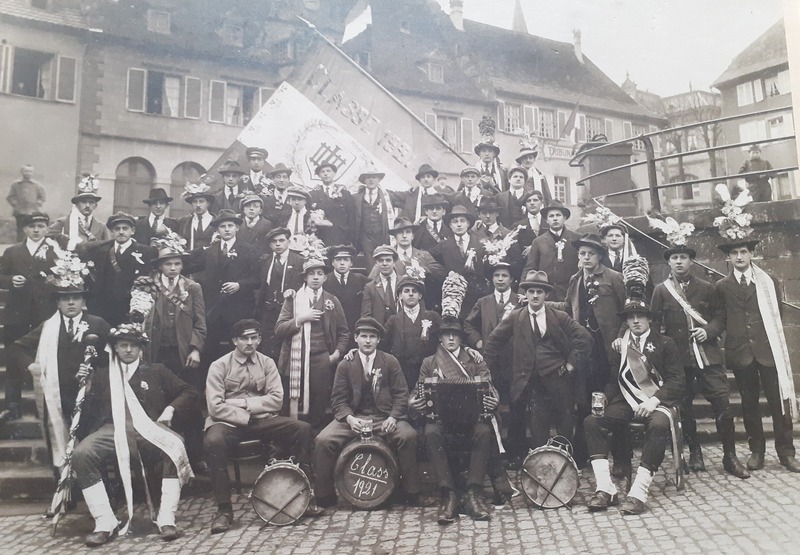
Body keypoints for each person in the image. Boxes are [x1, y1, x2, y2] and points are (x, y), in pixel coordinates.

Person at [72, 323, 197, 544]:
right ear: (115, 348)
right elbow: (89, 413)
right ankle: (104, 521)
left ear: (141, 348)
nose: (128, 350)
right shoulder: (102, 374)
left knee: (174, 446)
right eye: (123, 345)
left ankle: (166, 518)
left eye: (133, 345)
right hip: (111, 430)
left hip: (148, 429)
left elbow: (189, 391)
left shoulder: (156, 370)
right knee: (82, 453)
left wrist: (170, 409)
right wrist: (87, 387)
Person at [204, 319, 322, 534]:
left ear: (259, 339)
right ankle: (224, 510)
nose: (250, 343)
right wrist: (247, 413)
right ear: (235, 341)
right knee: (213, 441)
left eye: (254, 338)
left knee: (302, 428)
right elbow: (215, 407)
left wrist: (241, 403)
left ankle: (304, 495)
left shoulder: (267, 363)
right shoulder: (219, 366)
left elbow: (276, 400)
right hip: (227, 422)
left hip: (260, 420)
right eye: (244, 338)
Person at [649, 242, 749, 478]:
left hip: (708, 358)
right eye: (674, 258)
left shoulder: (707, 288)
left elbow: (720, 316)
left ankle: (730, 457)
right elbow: (654, 324)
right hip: (679, 361)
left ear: (691, 261)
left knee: (723, 405)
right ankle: (695, 452)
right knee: (684, 408)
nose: (679, 262)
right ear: (669, 262)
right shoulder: (661, 291)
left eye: (683, 257)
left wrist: (709, 331)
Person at [313, 317, 429, 508]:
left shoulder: (390, 361)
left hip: (383, 417)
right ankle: (324, 496)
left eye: (372, 337)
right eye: (363, 336)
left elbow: (401, 394)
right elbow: (338, 400)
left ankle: (411, 492)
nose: (368, 341)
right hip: (354, 417)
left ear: (378, 340)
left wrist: (393, 417)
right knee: (323, 440)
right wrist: (350, 419)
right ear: (356, 338)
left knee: (408, 435)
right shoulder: (345, 364)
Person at [585, 299, 684, 515]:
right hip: (627, 402)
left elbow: (677, 380)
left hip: (658, 401)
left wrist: (653, 401)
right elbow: (614, 381)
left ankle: (639, 491)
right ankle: (606, 489)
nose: (636, 321)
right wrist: (605, 398)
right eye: (631, 317)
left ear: (649, 319)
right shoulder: (620, 346)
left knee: (658, 425)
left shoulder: (665, 343)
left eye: (640, 316)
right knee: (592, 421)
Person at [715, 239, 800, 473]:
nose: (739, 256)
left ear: (751, 253)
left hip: (768, 351)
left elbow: (776, 315)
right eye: (734, 253)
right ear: (728, 257)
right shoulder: (722, 286)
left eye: (743, 252)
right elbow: (721, 317)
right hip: (741, 352)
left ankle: (786, 452)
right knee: (749, 403)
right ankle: (757, 451)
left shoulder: (767, 281)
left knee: (778, 401)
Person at [485, 271, 592, 455]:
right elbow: (493, 341)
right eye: (531, 291)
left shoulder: (558, 316)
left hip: (558, 378)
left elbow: (585, 338)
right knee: (538, 428)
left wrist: (571, 364)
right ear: (525, 294)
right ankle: (540, 463)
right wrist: (486, 370)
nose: (535, 295)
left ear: (546, 295)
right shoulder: (516, 317)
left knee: (565, 424)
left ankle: (566, 462)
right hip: (532, 381)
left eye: (539, 292)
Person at [17, 262, 110, 464]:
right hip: (58, 393)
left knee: (88, 444)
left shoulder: (98, 324)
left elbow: (110, 357)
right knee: (59, 441)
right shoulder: (48, 326)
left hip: (90, 394)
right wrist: (32, 366)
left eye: (76, 298)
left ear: (83, 300)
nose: (71, 303)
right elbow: (18, 347)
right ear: (58, 303)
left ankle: (89, 477)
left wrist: (94, 372)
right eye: (65, 299)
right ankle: (62, 478)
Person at [409, 317, 500, 524]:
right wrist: (414, 402)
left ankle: (473, 492)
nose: (451, 338)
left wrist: (493, 400)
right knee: (431, 432)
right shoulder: (429, 362)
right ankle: (448, 494)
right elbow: (417, 392)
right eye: (446, 334)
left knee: (483, 431)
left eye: (455, 335)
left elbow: (490, 387)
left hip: (471, 421)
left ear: (461, 338)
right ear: (440, 338)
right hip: (442, 422)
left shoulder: (475, 360)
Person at [555, 233, 626, 468]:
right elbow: (567, 308)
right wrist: (542, 305)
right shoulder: (575, 279)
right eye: (582, 254)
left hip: (608, 348)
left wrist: (620, 337)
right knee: (585, 400)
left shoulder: (614, 278)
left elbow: (627, 311)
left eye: (591, 254)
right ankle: (585, 454)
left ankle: (621, 458)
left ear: (600, 256)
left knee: (612, 399)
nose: (586, 258)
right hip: (585, 350)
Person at [143, 236, 207, 471]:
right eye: (168, 263)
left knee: (191, 403)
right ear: (160, 266)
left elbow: (200, 323)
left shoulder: (192, 288)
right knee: (158, 403)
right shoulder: (148, 286)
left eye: (177, 263)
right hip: (157, 354)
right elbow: (139, 319)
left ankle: (196, 457)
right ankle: (162, 458)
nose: (172, 268)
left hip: (184, 355)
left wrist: (195, 349)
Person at [0, 213, 68, 421]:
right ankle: (13, 406)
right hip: (16, 315)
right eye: (32, 226)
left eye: (40, 226)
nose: (36, 230)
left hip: (44, 314)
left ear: (47, 228)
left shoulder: (55, 251)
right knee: (13, 358)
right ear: (25, 230)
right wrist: (11, 280)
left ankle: (46, 406)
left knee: (47, 359)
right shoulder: (12, 252)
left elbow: (64, 277)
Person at [275, 258, 350, 430]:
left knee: (319, 404)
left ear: (325, 277)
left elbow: (344, 332)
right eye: (311, 274)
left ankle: (315, 440)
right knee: (292, 401)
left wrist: (336, 355)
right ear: (305, 277)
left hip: (321, 359)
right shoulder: (293, 299)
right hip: (295, 359)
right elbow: (279, 329)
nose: (316, 277)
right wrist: (301, 319)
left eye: (320, 274)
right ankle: (293, 439)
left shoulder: (332, 300)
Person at [464, 262, 524, 466]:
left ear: (511, 279)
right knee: (490, 405)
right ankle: (493, 453)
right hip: (490, 362)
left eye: (504, 276)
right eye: (496, 275)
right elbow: (468, 324)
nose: (500, 279)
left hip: (515, 361)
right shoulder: (483, 302)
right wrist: (477, 341)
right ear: (491, 279)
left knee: (516, 406)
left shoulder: (520, 301)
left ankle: (516, 453)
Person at [185, 209, 259, 373]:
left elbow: (257, 280)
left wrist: (239, 285)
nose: (226, 229)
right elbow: (189, 265)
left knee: (237, 350)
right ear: (217, 230)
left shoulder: (248, 250)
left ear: (237, 228)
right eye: (222, 226)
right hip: (214, 310)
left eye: (230, 226)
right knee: (211, 351)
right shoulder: (210, 250)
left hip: (238, 310)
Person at [81, 212, 157, 327]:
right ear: (112, 232)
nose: (121, 232)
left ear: (132, 231)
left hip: (130, 309)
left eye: (125, 228)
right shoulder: (100, 251)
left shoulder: (146, 252)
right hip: (104, 309)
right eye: (117, 229)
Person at [429, 205, 489, 319]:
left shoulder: (480, 244)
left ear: (468, 223)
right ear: (450, 225)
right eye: (455, 222)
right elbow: (429, 259)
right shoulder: (444, 245)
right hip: (454, 298)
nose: (459, 224)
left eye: (462, 221)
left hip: (476, 296)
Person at [254, 227, 304, 360]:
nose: (278, 244)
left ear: (288, 242)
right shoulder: (265, 261)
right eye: (274, 241)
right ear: (270, 244)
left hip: (290, 311)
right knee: (268, 346)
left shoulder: (299, 261)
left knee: (288, 346)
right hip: (268, 310)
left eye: (281, 240)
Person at [382, 276, 440, 389]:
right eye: (406, 291)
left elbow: (446, 337)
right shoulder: (393, 320)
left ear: (420, 296)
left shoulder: (432, 317)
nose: (411, 294)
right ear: (400, 296)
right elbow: (380, 342)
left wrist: (466, 348)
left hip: (428, 371)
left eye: (414, 291)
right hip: (403, 371)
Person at [522, 200, 579, 301]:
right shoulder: (538, 241)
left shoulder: (576, 238)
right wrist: (522, 291)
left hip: (571, 293)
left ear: (564, 218)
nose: (555, 218)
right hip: (547, 293)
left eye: (558, 215)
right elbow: (530, 267)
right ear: (547, 220)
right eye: (551, 216)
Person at [322, 244, 371, 344]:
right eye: (338, 260)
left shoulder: (361, 280)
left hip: (355, 330)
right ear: (332, 262)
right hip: (332, 332)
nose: (342, 263)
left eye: (346, 260)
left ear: (351, 263)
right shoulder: (324, 281)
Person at [50, 175, 109, 250]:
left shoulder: (101, 227)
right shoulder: (63, 222)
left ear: (95, 206)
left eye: (91, 202)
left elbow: (107, 248)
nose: (87, 205)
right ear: (77, 204)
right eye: (84, 202)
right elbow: (47, 240)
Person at [353, 170, 394, 269]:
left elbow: (405, 198)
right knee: (370, 263)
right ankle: (372, 278)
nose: (371, 180)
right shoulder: (356, 197)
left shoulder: (387, 195)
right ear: (364, 180)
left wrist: (412, 190)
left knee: (383, 260)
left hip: (382, 235)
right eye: (368, 177)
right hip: (365, 237)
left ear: (379, 179)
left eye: (374, 177)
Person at [309, 162, 355, 247]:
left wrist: (350, 237)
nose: (326, 174)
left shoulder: (344, 193)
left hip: (340, 235)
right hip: (320, 236)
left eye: (328, 171)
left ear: (334, 173)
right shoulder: (313, 194)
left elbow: (351, 216)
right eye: (322, 172)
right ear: (319, 175)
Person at [361, 245, 400, 325]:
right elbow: (366, 315)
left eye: (388, 260)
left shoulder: (403, 282)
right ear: (376, 263)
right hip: (379, 328)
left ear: (394, 262)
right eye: (381, 261)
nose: (384, 264)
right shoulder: (370, 287)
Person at [7, 164, 46, 242]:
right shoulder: (16, 184)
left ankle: (31, 245)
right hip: (20, 212)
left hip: (33, 211)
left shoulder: (36, 185)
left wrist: (38, 203)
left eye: (30, 171)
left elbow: (42, 196)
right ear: (22, 172)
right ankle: (20, 245)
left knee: (32, 229)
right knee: (21, 230)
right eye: (26, 171)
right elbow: (10, 197)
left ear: (32, 173)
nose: (28, 173)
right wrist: (16, 204)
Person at [177, 183, 216, 250]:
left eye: (201, 201)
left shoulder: (216, 221)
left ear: (208, 203)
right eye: (195, 202)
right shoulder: (185, 221)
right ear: (192, 204)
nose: (198, 205)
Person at [236, 193, 273, 257]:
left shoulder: (267, 224)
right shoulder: (237, 223)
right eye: (248, 206)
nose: (251, 209)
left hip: (259, 259)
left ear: (261, 211)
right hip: (240, 258)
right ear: (243, 209)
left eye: (255, 206)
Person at [262, 163, 294, 227]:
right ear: (273, 179)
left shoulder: (293, 199)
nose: (281, 180)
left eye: (284, 177)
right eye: (278, 177)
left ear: (289, 180)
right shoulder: (265, 199)